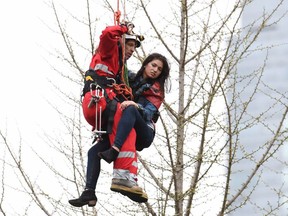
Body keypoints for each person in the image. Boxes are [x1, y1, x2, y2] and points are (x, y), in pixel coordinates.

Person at [68, 22, 141, 207]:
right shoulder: (109, 51)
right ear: (120, 42)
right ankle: (124, 176)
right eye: (129, 44)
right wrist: (123, 28)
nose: (132, 50)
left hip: (97, 108)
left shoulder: (119, 67)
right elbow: (108, 34)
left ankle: (89, 193)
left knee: (95, 152)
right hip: (99, 101)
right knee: (127, 122)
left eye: (134, 47)